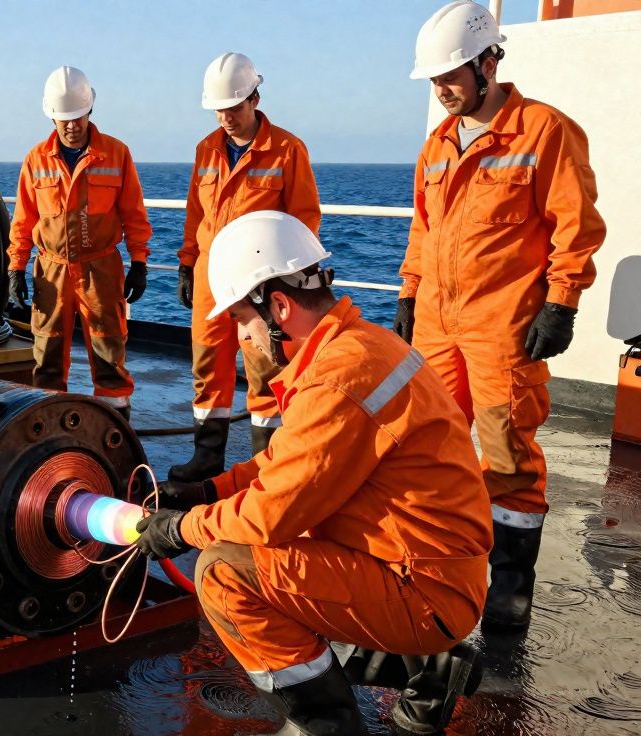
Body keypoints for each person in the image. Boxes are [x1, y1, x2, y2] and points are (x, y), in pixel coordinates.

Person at [137, 211, 492, 734]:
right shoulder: (362, 347)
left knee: (225, 570)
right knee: (273, 552)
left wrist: (182, 528)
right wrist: (206, 490)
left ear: (278, 306)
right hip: (428, 570)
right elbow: (289, 462)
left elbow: (269, 514)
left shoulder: (337, 383)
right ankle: (429, 667)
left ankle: (327, 724)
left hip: (421, 591)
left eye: (241, 321)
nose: (245, 341)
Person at [398, 0, 606, 630]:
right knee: (424, 446)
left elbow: (576, 227)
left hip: (502, 327)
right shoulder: (436, 144)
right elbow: (423, 229)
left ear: (489, 62)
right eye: (434, 80)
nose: (442, 90)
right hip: (437, 323)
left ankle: (511, 586)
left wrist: (562, 302)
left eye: (451, 76)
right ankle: (434, 566)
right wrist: (410, 291)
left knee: (508, 456)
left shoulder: (545, 131)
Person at [171, 52, 321, 483]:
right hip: (210, 280)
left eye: (234, 108)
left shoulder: (288, 150)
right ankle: (206, 458)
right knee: (207, 365)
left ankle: (267, 465)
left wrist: (290, 281)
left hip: (261, 281)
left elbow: (304, 217)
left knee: (267, 368)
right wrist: (186, 264)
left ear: (255, 98)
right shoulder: (206, 150)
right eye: (219, 110)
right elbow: (194, 214)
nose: (227, 118)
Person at [6, 66, 153, 419]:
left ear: (90, 110)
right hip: (51, 270)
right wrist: (16, 268)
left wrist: (140, 263)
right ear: (52, 118)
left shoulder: (116, 155)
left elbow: (134, 213)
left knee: (108, 352)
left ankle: (113, 429)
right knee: (48, 355)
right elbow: (24, 220)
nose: (72, 126)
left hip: (100, 268)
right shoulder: (36, 160)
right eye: (63, 119)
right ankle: (51, 432)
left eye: (77, 117)